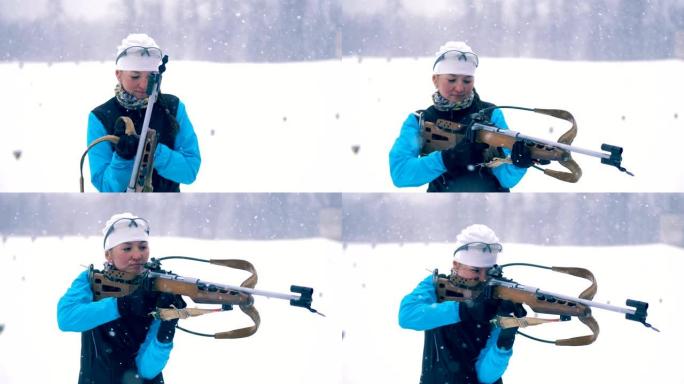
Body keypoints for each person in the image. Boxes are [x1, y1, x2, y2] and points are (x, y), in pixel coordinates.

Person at [57, 212, 186, 384]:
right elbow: (66, 318)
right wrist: (123, 305)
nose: (137, 255)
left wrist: (166, 330)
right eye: (127, 248)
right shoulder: (89, 280)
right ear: (108, 255)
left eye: (142, 247)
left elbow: (147, 370)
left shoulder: (157, 287)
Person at [389, 41, 533, 192]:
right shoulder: (419, 120)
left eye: (467, 80)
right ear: (435, 80)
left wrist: (518, 164)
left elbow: (505, 179)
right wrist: (448, 158)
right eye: (451, 80)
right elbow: (400, 174)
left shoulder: (491, 114)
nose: (459, 87)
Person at [398, 224, 525, 384]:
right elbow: (407, 316)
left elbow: (486, 376)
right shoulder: (435, 286)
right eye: (476, 270)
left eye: (488, 271)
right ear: (456, 264)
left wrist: (504, 341)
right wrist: (464, 309)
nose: (483, 278)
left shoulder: (496, 299)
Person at [87, 33, 201, 192]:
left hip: (168, 208)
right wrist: (123, 158)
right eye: (135, 76)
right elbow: (106, 187)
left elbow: (189, 171)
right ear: (118, 74)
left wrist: (154, 152)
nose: (144, 84)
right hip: (120, 206)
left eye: (152, 76)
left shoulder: (173, 108)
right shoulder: (100, 117)